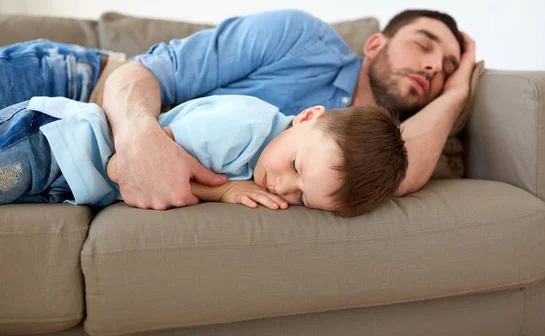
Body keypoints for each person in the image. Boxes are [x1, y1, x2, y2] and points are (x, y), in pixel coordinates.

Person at [0, 8, 476, 210]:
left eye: (449, 66)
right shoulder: (299, 36)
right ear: (375, 43)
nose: (435, 65)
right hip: (81, 81)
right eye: (424, 44)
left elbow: (404, 172)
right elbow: (140, 75)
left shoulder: (363, 153)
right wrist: (139, 138)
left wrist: (457, 94)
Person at [0, 94, 408, 217]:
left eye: (302, 197)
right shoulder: (242, 127)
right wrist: (225, 191)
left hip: (70, 184)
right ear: (306, 117)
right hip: (56, 144)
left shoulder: (268, 158)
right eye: (296, 167)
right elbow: (147, 159)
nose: (283, 187)